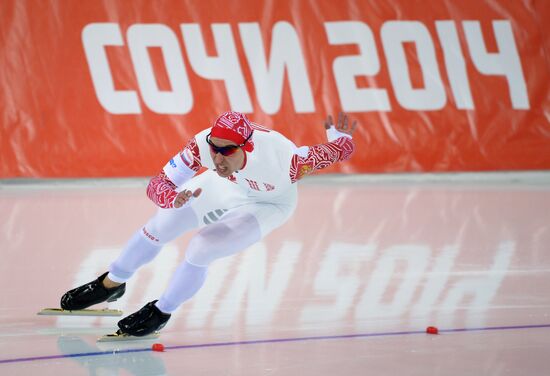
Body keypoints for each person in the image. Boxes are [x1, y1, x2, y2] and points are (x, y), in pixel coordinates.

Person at [60, 111, 357, 337]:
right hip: (225, 186)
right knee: (163, 223)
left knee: (202, 248)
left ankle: (161, 311)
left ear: (248, 147)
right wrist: (170, 198)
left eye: (227, 151)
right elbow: (158, 184)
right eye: (215, 147)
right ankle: (111, 283)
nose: (217, 156)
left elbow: (338, 152)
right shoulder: (202, 145)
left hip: (269, 203)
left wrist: (340, 137)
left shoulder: (287, 160)